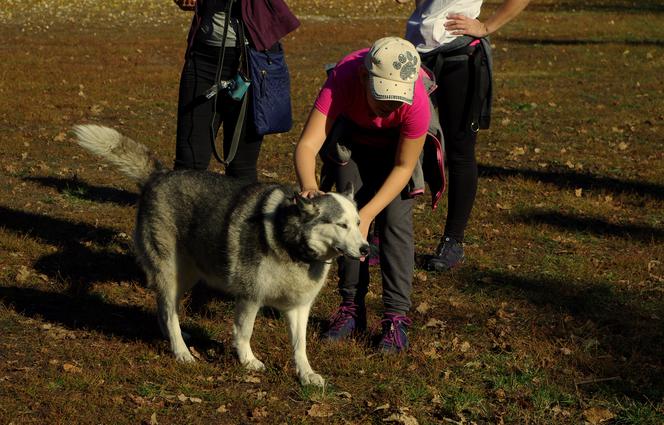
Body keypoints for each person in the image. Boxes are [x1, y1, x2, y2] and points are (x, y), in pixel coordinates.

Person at [294, 37, 431, 352]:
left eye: (397, 100)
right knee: (346, 218)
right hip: (353, 142)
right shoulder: (343, 77)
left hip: (396, 151)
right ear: (364, 78)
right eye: (383, 98)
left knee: (396, 222)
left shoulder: (417, 102)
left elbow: (403, 166)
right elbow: (307, 145)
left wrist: (368, 215)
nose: (390, 107)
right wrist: (310, 186)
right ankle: (351, 307)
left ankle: (396, 318)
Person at [396, 0, 530, 271]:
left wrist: (487, 26)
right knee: (400, 144)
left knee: (459, 150)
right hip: (415, 53)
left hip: (460, 56)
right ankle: (385, 234)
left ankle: (452, 242)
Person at [173, 0, 298, 181]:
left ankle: (239, 207)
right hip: (204, 59)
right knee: (189, 160)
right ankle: (180, 207)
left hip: (253, 62)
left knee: (242, 166)